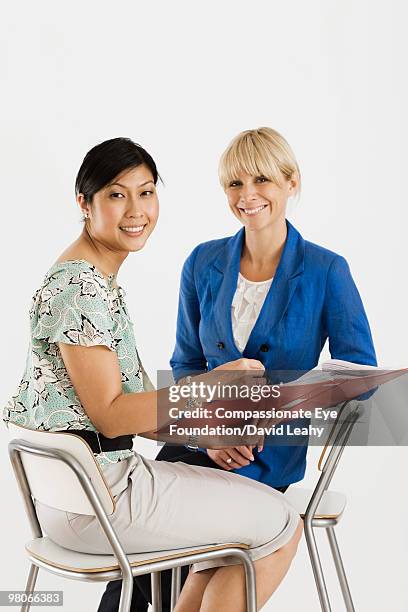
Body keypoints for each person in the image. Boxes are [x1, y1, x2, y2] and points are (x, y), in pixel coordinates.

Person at [3, 137, 302, 612]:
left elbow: (136, 408)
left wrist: (207, 440)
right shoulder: (80, 287)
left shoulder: (92, 281)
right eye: (117, 195)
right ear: (85, 203)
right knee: (282, 525)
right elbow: (111, 417)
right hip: (100, 500)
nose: (136, 210)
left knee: (235, 537)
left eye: (146, 192)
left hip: (80, 497)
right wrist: (212, 382)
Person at [100, 127, 377, 611]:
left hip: (267, 461)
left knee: (171, 567)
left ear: (292, 183)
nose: (247, 196)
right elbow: (185, 364)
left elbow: (360, 377)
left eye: (262, 180)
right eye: (234, 183)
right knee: (138, 562)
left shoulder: (326, 270)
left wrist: (283, 406)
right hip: (197, 444)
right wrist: (212, 429)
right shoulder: (202, 263)